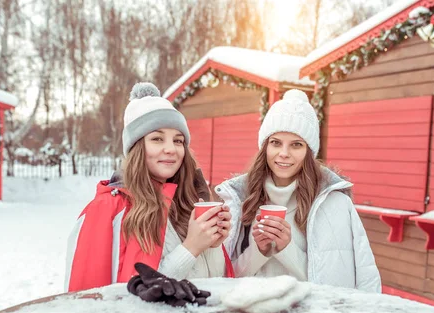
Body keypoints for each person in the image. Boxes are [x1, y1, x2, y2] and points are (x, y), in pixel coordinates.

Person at [65, 82, 233, 292]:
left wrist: (212, 245)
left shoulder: (189, 201)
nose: (171, 149)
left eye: (178, 141)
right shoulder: (108, 210)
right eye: (157, 139)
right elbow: (124, 297)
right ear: (136, 147)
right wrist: (191, 247)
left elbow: (214, 283)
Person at [214, 89, 381, 292]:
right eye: (276, 143)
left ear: (308, 152)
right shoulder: (241, 200)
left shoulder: (334, 204)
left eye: (296, 145)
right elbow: (224, 278)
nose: (284, 154)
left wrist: (286, 249)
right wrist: (260, 251)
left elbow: (340, 286)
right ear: (265, 147)